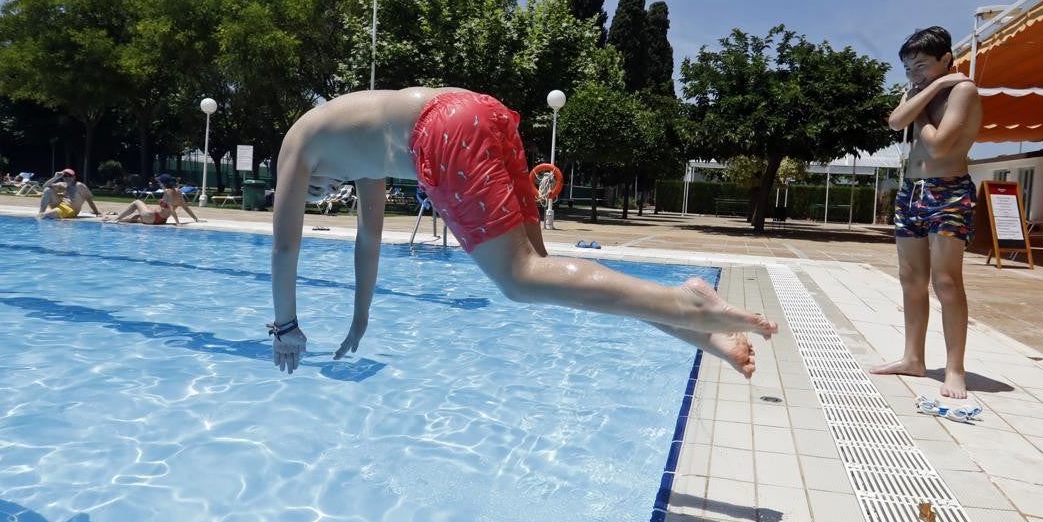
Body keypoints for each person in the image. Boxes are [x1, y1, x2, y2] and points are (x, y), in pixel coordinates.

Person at [269, 87, 778, 374]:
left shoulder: (298, 143)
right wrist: (360, 316)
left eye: (315, 193)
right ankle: (701, 330)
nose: (323, 192)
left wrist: (286, 327)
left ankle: (690, 302)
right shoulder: (357, 151)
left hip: (441, 131)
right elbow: (369, 240)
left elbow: (286, 244)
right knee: (549, 275)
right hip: (478, 111)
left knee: (519, 280)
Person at [871, 27, 982, 398]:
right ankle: (913, 358)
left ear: (946, 60)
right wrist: (927, 91)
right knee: (910, 279)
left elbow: (937, 146)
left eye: (921, 66)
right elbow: (894, 122)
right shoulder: (924, 91)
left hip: (948, 191)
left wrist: (926, 96)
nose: (914, 75)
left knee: (947, 282)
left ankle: (954, 369)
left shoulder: (963, 91)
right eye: (908, 69)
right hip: (911, 192)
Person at [106, 173, 198, 225]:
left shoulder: (167, 192)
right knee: (134, 218)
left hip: (154, 217)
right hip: (161, 221)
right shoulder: (179, 192)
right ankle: (112, 219)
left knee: (137, 202)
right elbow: (185, 207)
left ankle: (115, 219)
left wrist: (177, 223)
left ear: (163, 183)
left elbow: (170, 208)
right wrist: (195, 219)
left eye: (159, 182)